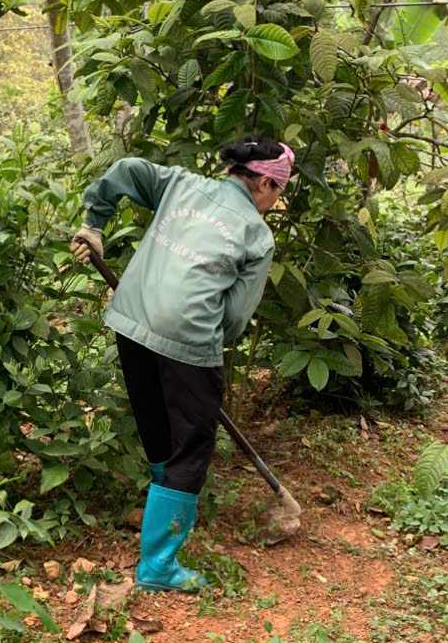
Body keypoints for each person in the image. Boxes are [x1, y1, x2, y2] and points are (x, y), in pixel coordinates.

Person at [71, 136, 295, 592]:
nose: (276, 202)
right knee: (191, 445)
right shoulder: (256, 234)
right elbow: (234, 318)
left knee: (158, 428)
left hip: (132, 321)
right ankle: (158, 566)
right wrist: (203, 344)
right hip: (188, 336)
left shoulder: (180, 183)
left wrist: (94, 223)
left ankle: (166, 514)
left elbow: (128, 168)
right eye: (280, 192)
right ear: (264, 184)